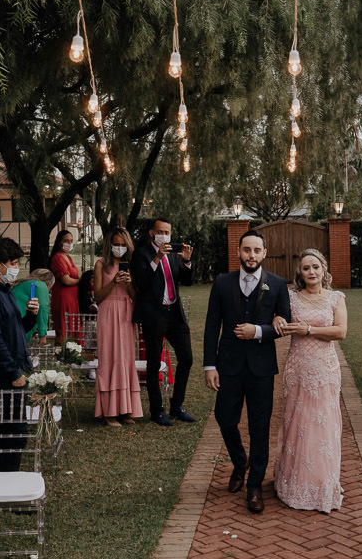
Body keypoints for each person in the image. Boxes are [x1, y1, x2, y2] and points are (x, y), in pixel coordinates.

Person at [203, 229, 291, 514]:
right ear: (239, 252)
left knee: (259, 426)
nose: (251, 255)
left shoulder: (277, 285)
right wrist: (210, 365)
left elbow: (284, 324)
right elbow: (211, 325)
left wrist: (258, 331)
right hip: (227, 365)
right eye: (246, 250)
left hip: (261, 368)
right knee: (225, 418)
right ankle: (240, 462)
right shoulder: (222, 283)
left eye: (256, 250)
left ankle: (255, 486)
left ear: (264, 253)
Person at [272, 249, 347, 513]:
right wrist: (277, 318)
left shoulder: (336, 298)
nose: (311, 272)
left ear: (324, 270)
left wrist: (308, 330)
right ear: (300, 273)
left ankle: (322, 482)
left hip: (326, 369)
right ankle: (293, 481)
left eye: (316, 267)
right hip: (299, 367)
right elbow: (276, 316)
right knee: (299, 422)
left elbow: (340, 332)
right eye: (306, 268)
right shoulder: (291, 297)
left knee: (323, 424)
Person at [0, 238, 39, 471]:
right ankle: (5, 478)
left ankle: (8, 477)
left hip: (16, 366)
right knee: (13, 431)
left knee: (16, 429)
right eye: (12, 263)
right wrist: (12, 371)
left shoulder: (5, 291)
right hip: (5, 373)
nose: (15, 268)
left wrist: (30, 317)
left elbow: (14, 330)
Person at [132, 218, 195, 426]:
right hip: (154, 314)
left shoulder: (175, 256)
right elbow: (141, 283)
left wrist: (186, 261)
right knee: (153, 363)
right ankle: (157, 411)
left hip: (174, 314)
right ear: (152, 233)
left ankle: (177, 405)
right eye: (160, 231)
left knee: (186, 358)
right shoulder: (141, 254)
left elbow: (186, 281)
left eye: (167, 232)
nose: (164, 235)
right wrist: (157, 258)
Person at [94, 227, 143, 427]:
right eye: (116, 244)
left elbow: (136, 297)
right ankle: (109, 411)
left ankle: (125, 409)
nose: (120, 248)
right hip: (107, 312)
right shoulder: (101, 265)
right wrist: (114, 281)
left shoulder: (131, 266)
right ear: (109, 244)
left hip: (125, 312)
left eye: (123, 245)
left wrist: (130, 283)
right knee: (108, 358)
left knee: (125, 358)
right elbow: (97, 296)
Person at [49, 230, 80, 345]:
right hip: (63, 298)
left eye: (71, 241)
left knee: (72, 327)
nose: (69, 243)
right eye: (66, 241)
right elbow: (66, 280)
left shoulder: (67, 257)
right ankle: (64, 355)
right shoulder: (58, 258)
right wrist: (81, 281)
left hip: (72, 299)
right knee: (65, 328)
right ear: (59, 242)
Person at [12, 269, 54, 345]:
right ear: (49, 284)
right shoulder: (41, 285)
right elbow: (43, 308)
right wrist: (42, 335)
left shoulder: (22, 284)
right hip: (21, 328)